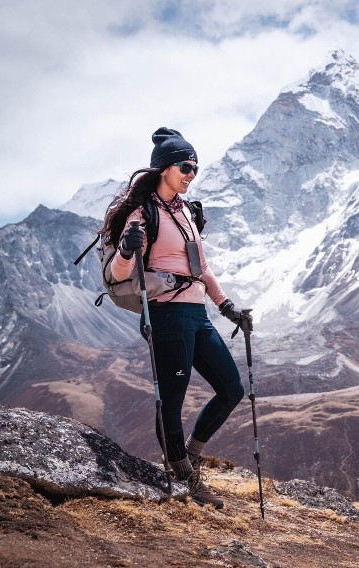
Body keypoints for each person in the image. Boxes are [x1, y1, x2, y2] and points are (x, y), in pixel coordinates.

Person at [101, 127, 248, 509]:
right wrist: (126, 251)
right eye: (185, 166)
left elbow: (201, 267)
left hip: (197, 313)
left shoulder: (185, 210)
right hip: (166, 314)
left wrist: (227, 306)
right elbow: (118, 274)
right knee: (171, 400)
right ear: (164, 167)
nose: (191, 174)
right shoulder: (141, 213)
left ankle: (190, 456)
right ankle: (184, 477)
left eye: (195, 168)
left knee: (231, 388)